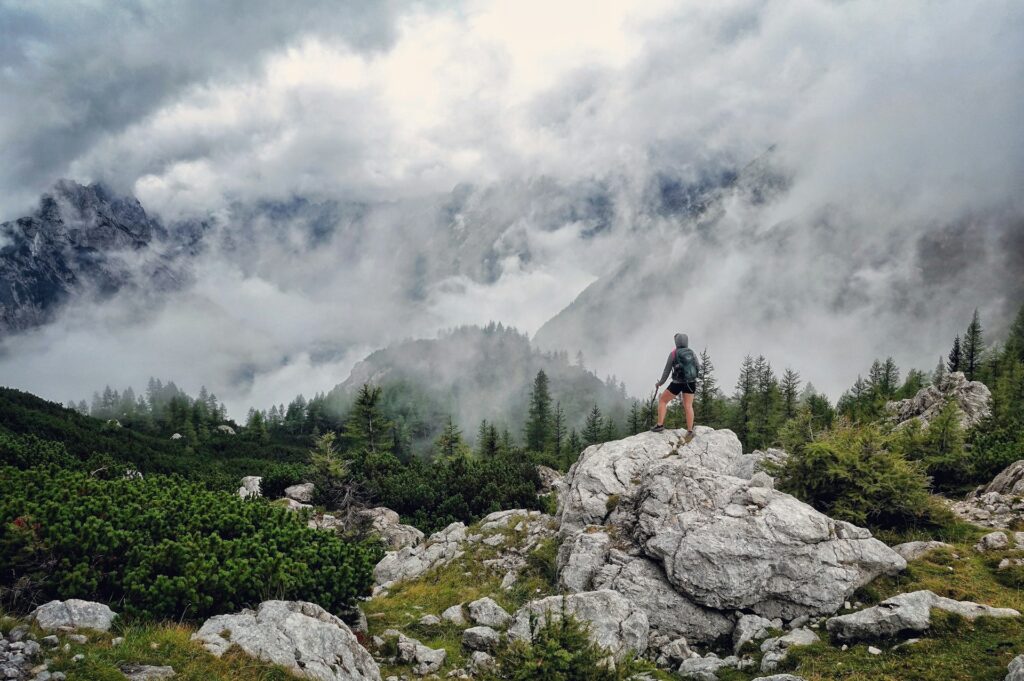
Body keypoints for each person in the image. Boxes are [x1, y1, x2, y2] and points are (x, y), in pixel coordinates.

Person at [650, 332, 699, 440]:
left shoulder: (673, 353)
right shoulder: (692, 352)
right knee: (688, 405)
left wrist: (660, 383)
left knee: (663, 400)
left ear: (676, 342)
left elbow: (666, 371)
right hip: (691, 382)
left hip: (677, 383)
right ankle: (690, 431)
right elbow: (697, 367)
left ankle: (659, 425)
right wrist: (693, 378)